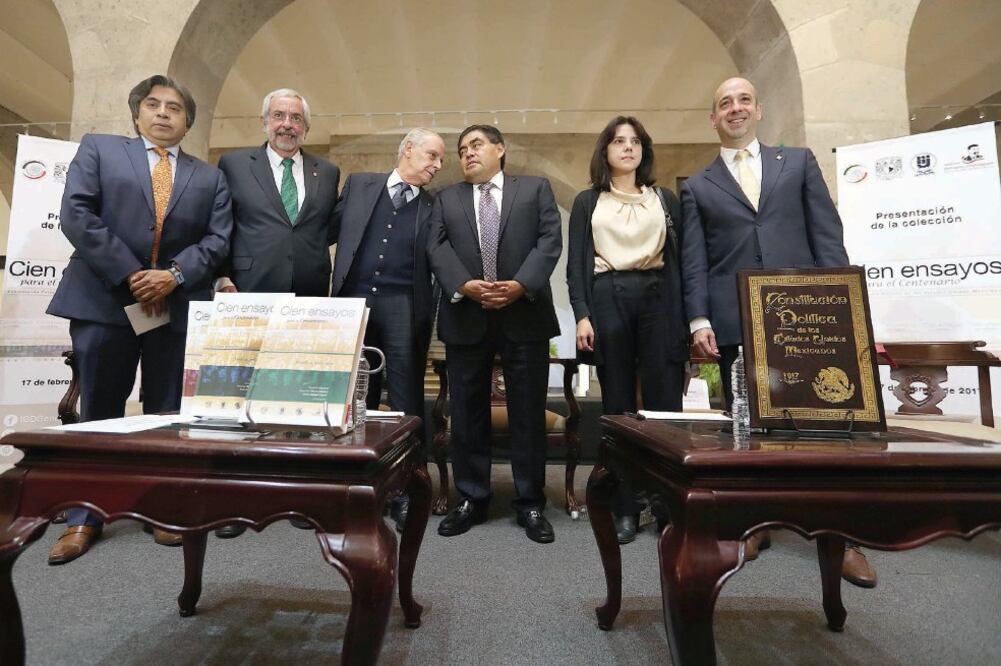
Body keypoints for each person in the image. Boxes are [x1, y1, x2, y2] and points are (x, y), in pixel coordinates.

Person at [680, 76, 876, 587]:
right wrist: (699, 320)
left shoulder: (800, 163)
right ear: (713, 118)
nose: (735, 108)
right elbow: (694, 261)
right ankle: (754, 524)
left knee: (829, 427)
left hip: (808, 314)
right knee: (748, 428)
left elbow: (826, 234)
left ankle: (842, 536)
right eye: (724, 103)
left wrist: (843, 308)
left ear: (759, 110)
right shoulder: (697, 185)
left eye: (743, 100)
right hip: (734, 315)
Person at [45, 74, 233, 564]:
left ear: (188, 121)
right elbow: (77, 215)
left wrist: (172, 275)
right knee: (98, 414)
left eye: (175, 107)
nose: (164, 113)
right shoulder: (101, 150)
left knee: (166, 412)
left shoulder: (209, 177)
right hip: (104, 300)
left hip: (173, 305)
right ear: (137, 114)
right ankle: (84, 517)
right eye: (154, 104)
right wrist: (133, 274)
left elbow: (217, 241)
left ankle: (162, 510)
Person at [213, 88, 341, 538]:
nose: (287, 124)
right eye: (279, 116)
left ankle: (299, 497)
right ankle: (234, 503)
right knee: (241, 401)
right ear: (264, 120)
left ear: (307, 127)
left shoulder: (327, 171)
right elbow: (219, 222)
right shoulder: (234, 164)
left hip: (308, 298)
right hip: (248, 291)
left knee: (301, 401)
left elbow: (325, 229)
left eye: (296, 118)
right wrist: (221, 276)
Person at [428, 125, 562, 543]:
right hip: (467, 315)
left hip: (524, 314)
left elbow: (549, 240)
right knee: (466, 413)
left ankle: (531, 502)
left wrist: (521, 283)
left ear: (500, 149)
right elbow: (437, 247)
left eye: (477, 145)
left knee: (527, 413)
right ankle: (471, 498)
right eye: (462, 149)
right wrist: (463, 284)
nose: (468, 154)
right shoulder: (446, 198)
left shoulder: (535, 189)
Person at [566, 116, 689, 544]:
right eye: (619, 141)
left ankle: (666, 502)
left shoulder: (665, 199)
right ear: (606, 151)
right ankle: (625, 505)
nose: (628, 148)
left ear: (644, 150)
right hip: (607, 295)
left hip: (660, 298)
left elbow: (681, 261)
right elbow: (575, 265)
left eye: (635, 141)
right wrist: (582, 313)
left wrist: (689, 317)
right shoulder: (587, 201)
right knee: (617, 405)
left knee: (664, 404)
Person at [330, 128, 445, 532]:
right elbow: (326, 231)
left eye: (441, 160)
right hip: (351, 302)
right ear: (408, 150)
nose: (437, 165)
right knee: (346, 395)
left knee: (406, 397)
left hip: (404, 304)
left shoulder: (434, 205)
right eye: (432, 155)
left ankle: (404, 489)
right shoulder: (361, 185)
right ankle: (343, 485)